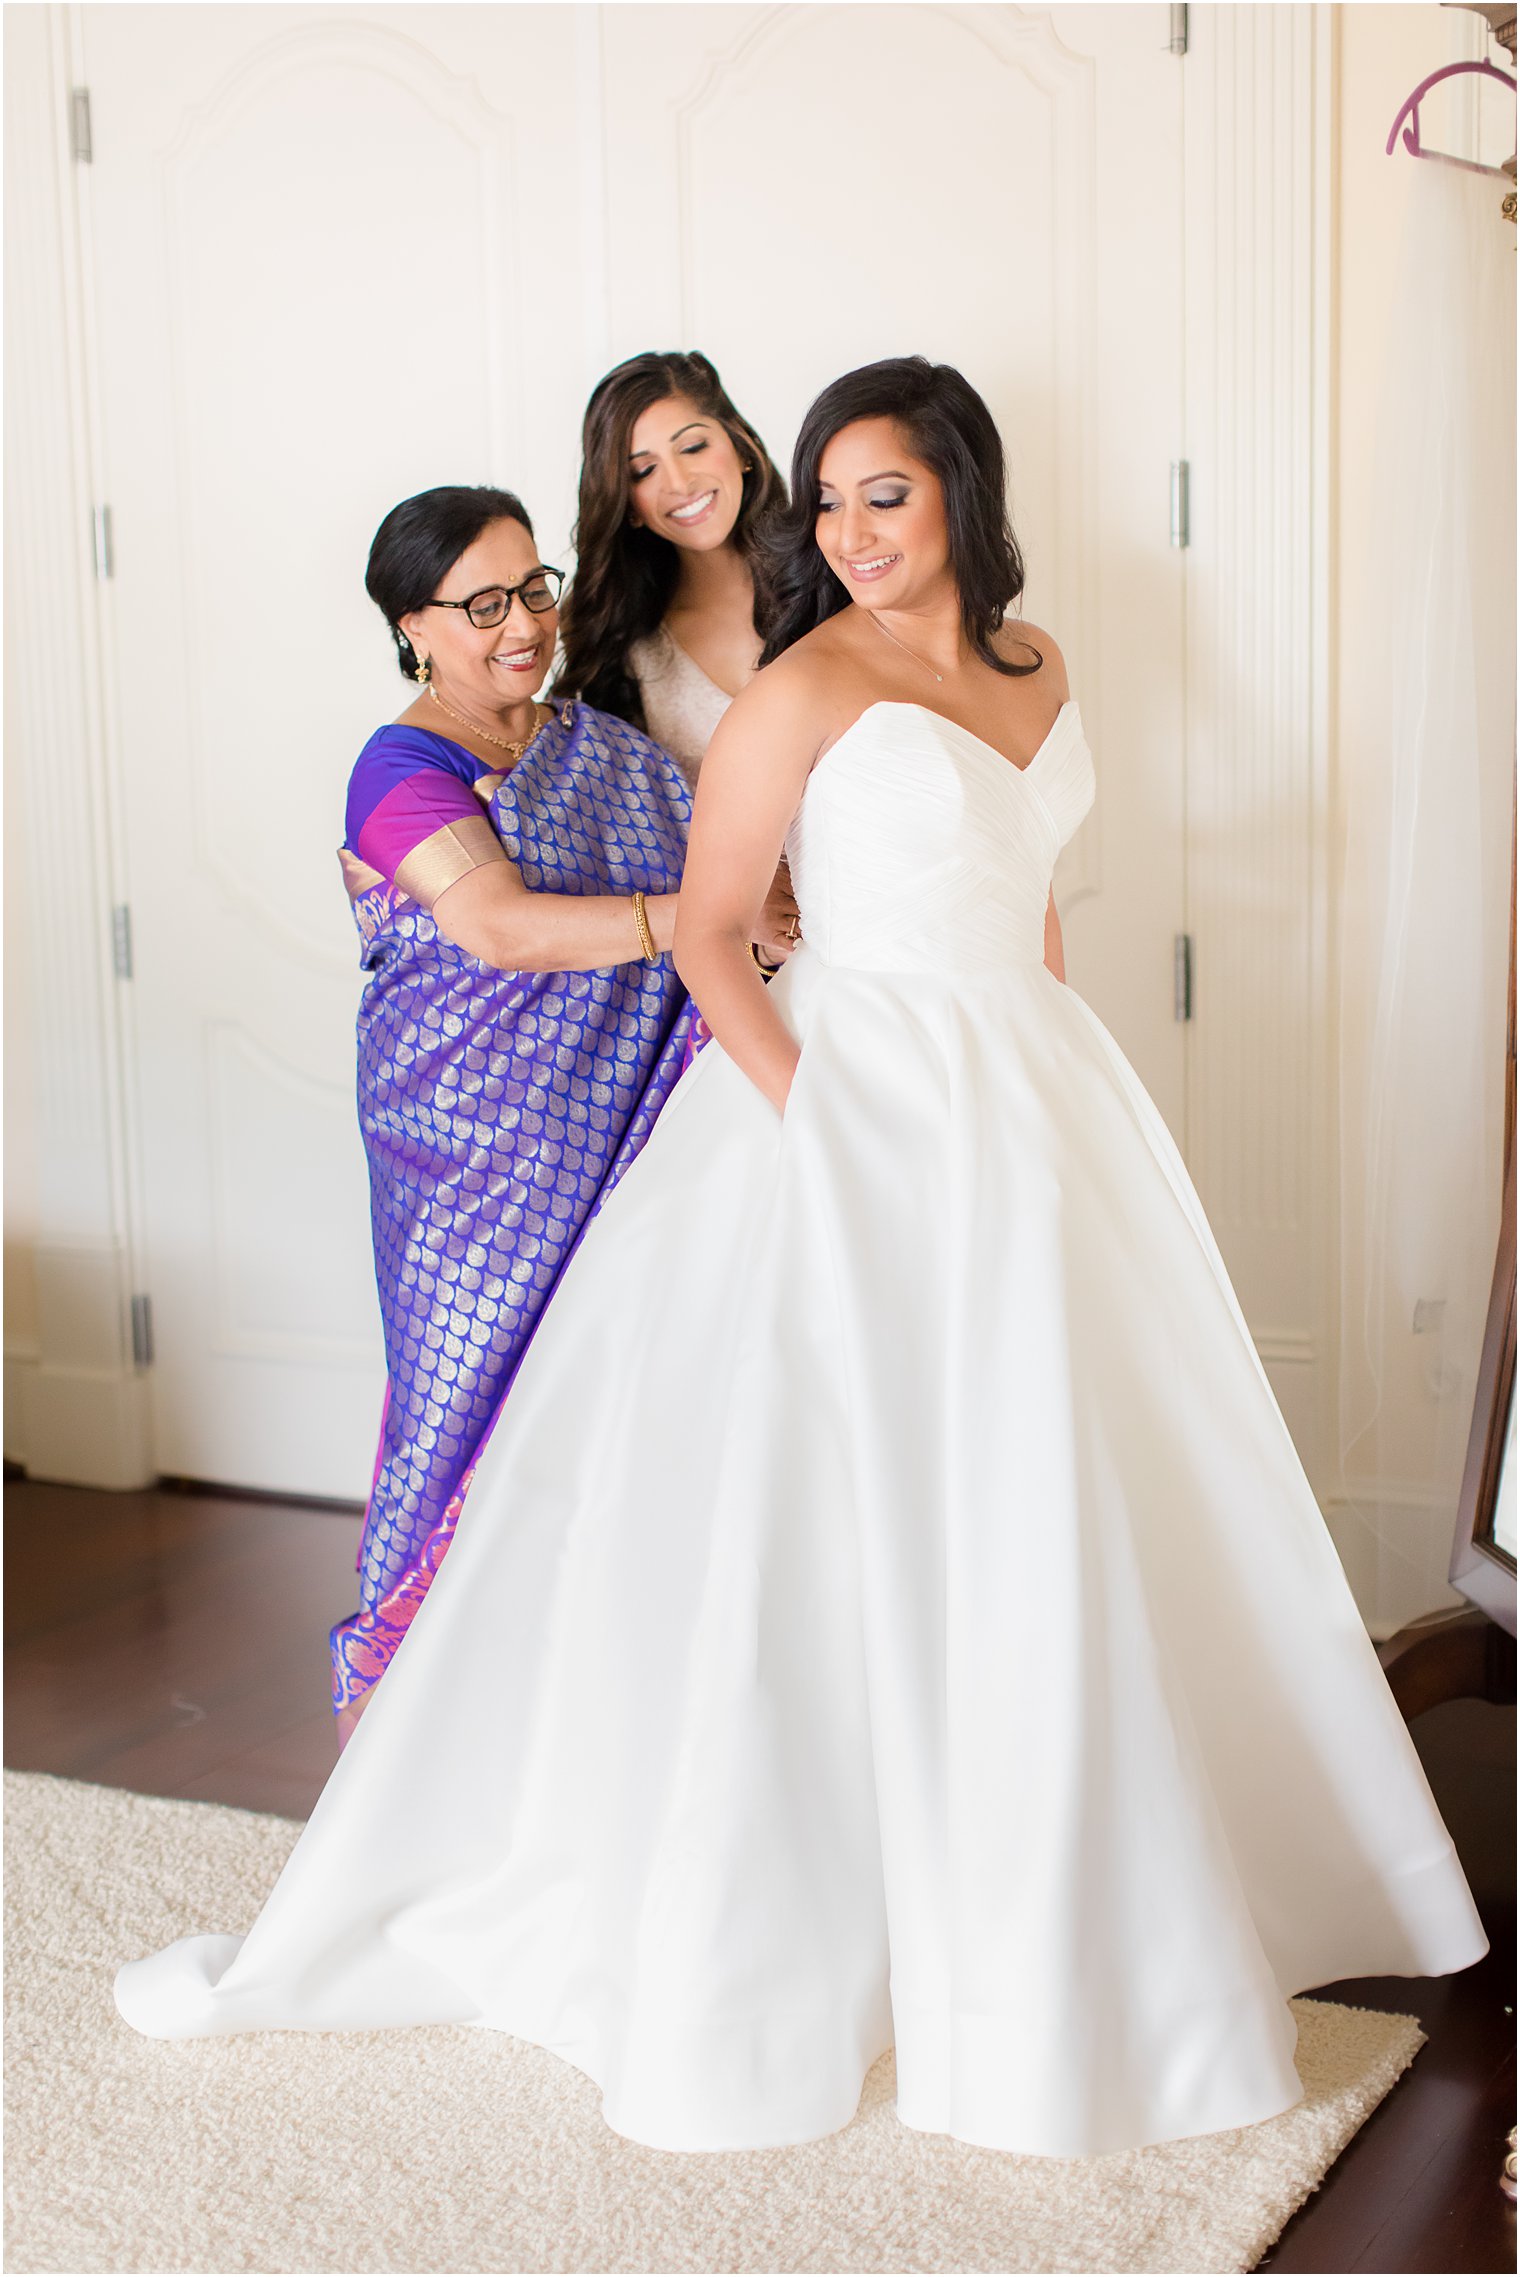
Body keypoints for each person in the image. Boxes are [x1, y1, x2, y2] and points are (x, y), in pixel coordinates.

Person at [116, 362, 1485, 2162]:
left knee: (1053, 1486)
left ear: (962, 500)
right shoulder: (804, 683)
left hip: (1028, 1087)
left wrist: (1053, 1066)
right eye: (832, 501)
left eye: (883, 497)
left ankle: (1080, 1901)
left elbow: (1033, 888)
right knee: (820, 1505)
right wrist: (818, 1113)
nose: (845, 533)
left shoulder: (1039, 663)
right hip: (840, 1095)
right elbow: (705, 932)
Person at [330, 484, 795, 1744]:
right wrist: (702, 920)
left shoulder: (602, 750)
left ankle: (560, 1750)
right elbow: (494, 926)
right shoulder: (400, 766)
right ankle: (381, 1780)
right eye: (481, 603)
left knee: (596, 1425)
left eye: (532, 587)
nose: (521, 622)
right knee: (450, 1434)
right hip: (465, 1158)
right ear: (412, 628)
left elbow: (738, 872)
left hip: (621, 1140)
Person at [554, 350, 786, 782]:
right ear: (628, 506)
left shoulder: (834, 578)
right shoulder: (630, 647)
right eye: (643, 471)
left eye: (693, 447)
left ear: (743, 450)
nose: (679, 483)